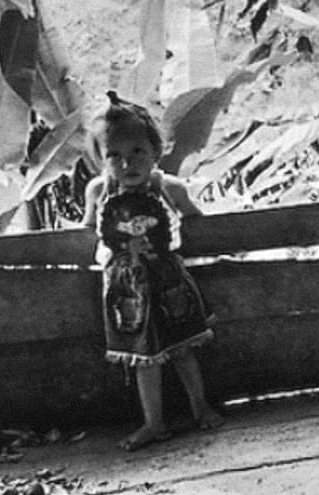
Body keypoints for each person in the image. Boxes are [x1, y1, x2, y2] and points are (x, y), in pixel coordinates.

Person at [84, 93, 223, 451]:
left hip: (166, 282)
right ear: (100, 159)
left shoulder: (167, 187)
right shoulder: (99, 191)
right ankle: (153, 423)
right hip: (126, 289)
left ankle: (199, 407)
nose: (127, 164)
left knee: (181, 349)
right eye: (114, 155)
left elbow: (196, 219)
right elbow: (87, 230)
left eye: (137, 153)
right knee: (143, 358)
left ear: (156, 151)